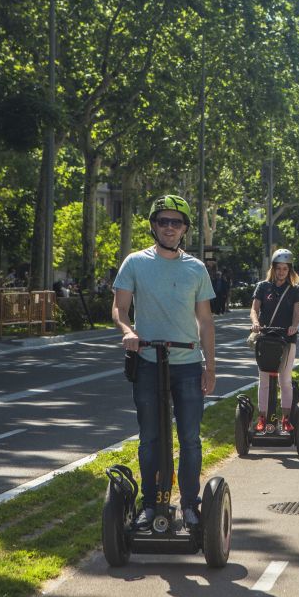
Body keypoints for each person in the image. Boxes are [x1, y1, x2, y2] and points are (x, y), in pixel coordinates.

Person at [112, 194, 216, 529]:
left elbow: (205, 321)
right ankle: (150, 504)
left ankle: (189, 504)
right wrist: (128, 331)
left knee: (189, 437)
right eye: (163, 221)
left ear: (185, 228)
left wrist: (210, 366)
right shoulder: (135, 263)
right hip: (147, 360)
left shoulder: (195, 268)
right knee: (150, 438)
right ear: (154, 226)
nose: (169, 228)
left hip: (186, 363)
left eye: (176, 222)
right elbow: (120, 308)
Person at [250, 248, 299, 435]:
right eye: (278, 268)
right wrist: (256, 323)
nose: (281, 272)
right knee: (263, 380)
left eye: (285, 269)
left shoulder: (295, 290)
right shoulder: (263, 286)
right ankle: (262, 418)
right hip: (266, 339)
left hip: (287, 340)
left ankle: (286, 419)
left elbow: (297, 312)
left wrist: (294, 326)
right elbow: (254, 309)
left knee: (285, 380)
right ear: (273, 268)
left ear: (290, 270)